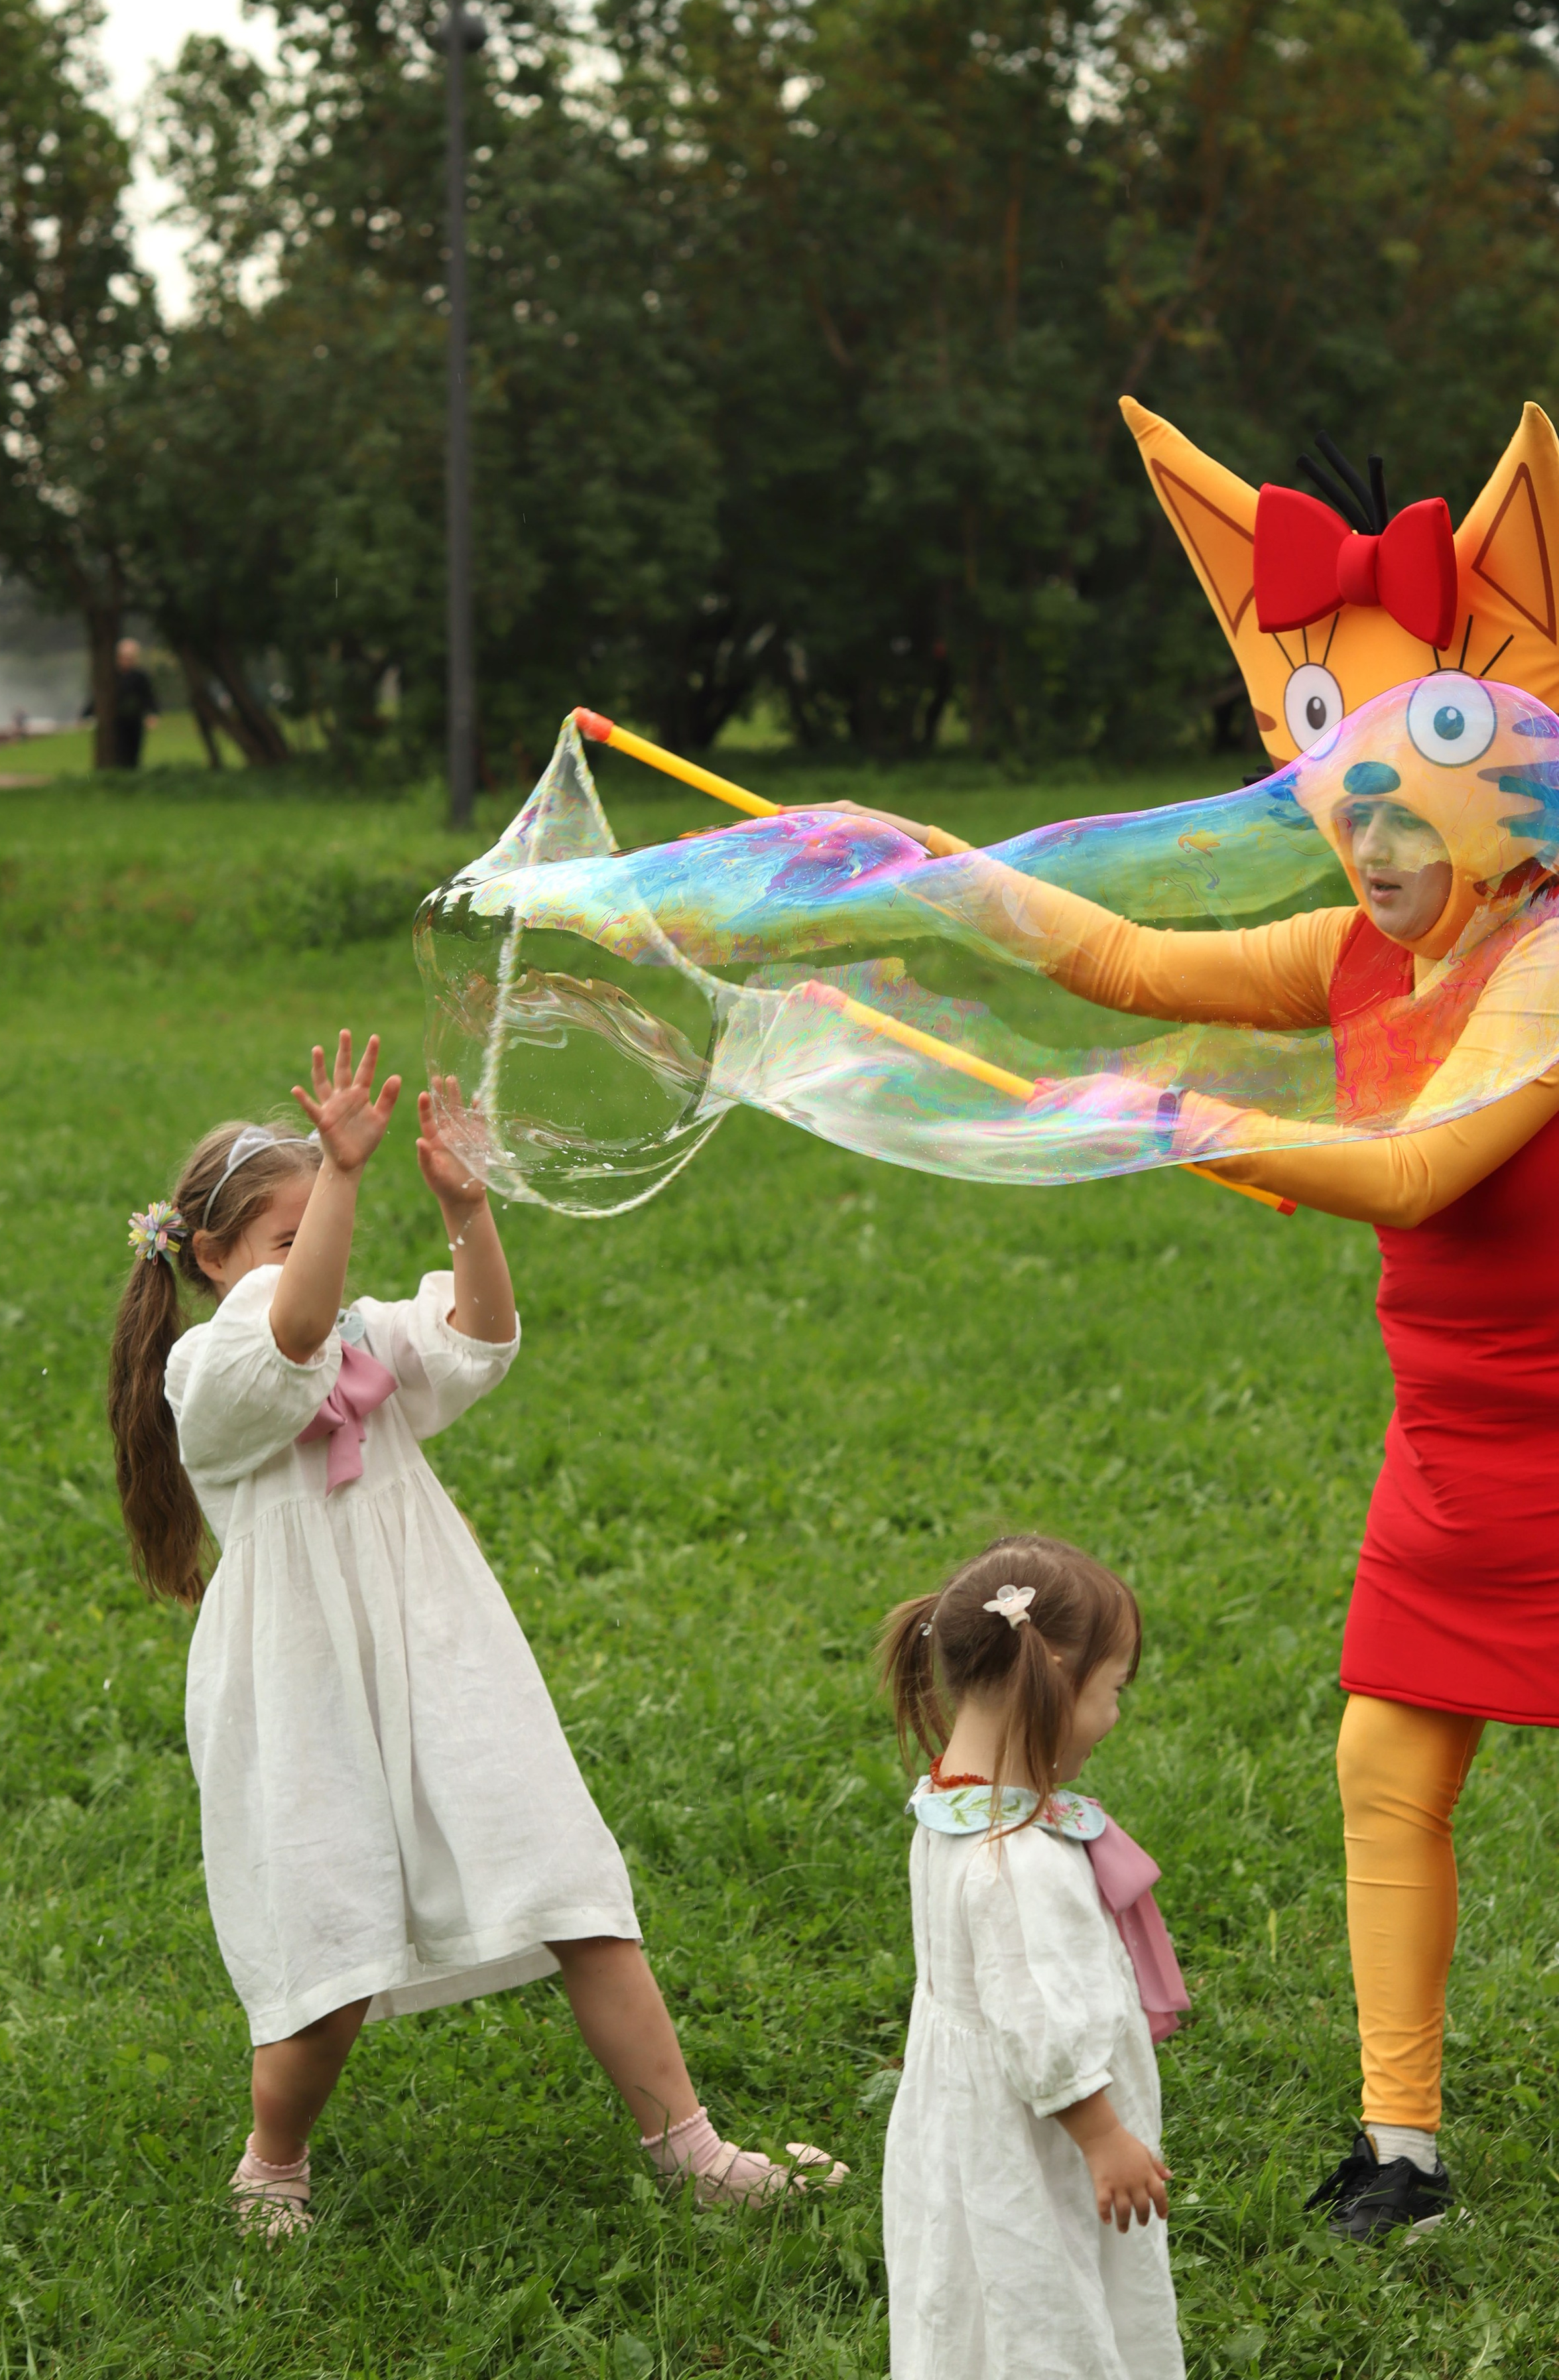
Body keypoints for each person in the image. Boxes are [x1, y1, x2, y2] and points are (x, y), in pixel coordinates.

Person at [832, 671, 1559, 2240]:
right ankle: (1400, 2145)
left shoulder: (1543, 958)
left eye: (1405, 822)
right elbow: (1127, 956)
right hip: (1451, 1431)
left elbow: (1423, 1168)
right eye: (1350, 816)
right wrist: (934, 868)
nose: (1367, 852)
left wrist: (1189, 1119)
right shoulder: (1371, 951)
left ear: (1496, 833)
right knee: (1386, 1760)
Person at [106, 1027, 845, 2237]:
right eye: (289, 1240)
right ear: (208, 1255)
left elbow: (482, 1337)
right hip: (302, 1685)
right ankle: (272, 2162)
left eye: (324, 1235)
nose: (323, 1264)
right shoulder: (212, 1368)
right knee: (330, 1947)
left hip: (441, 1647)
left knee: (568, 1879)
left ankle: (690, 2147)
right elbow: (287, 1337)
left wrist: (465, 1213)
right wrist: (341, 1175)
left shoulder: (365, 1336)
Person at [879, 1534, 1186, 2380]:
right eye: (1112, 1690)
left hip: (964, 2122)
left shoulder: (946, 1807)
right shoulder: (1019, 1862)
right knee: (1043, 2296)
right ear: (1048, 1676)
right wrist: (1104, 2139)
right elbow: (1038, 2026)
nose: (1116, 1715)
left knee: (972, 2285)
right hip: (1038, 2137)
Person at [113, 638, 160, 770]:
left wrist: (152, 714)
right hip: (118, 720)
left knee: (134, 748)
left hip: (135, 719)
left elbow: (148, 696)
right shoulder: (112, 677)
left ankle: (132, 773)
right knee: (120, 748)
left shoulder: (140, 677)